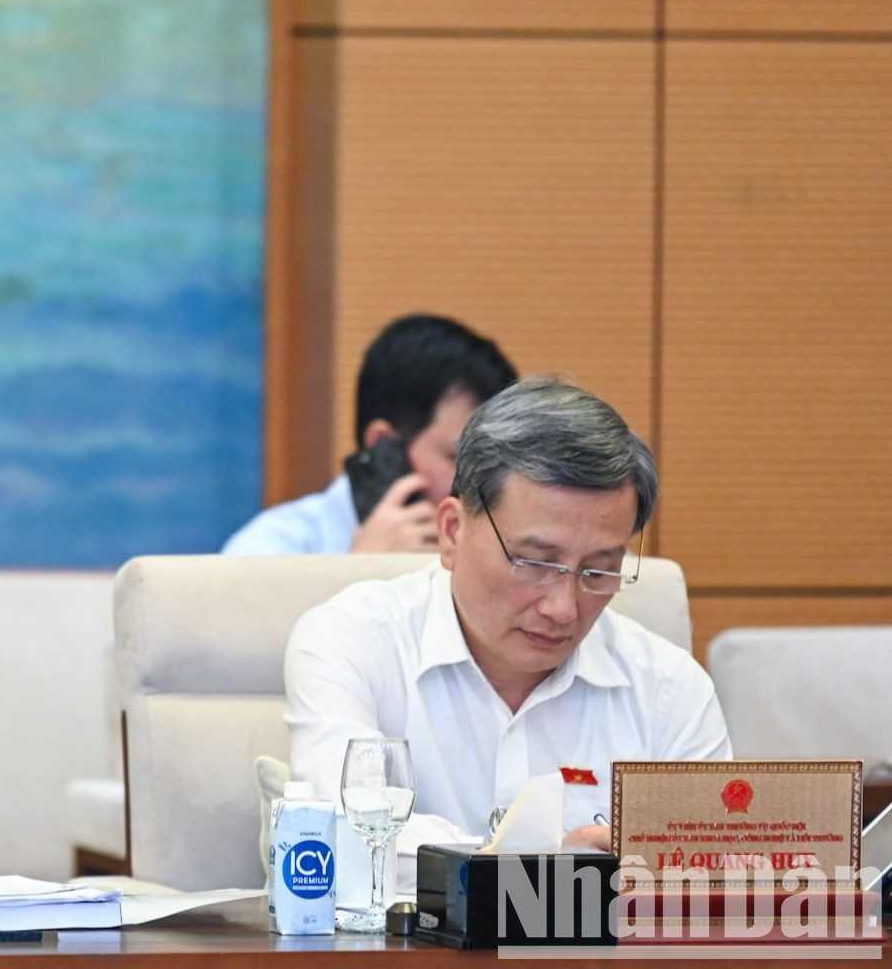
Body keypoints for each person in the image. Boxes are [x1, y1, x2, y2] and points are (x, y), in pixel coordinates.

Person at [283, 376, 730, 869]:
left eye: (598, 570)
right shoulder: (352, 642)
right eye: (535, 562)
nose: (563, 608)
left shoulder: (669, 690)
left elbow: (708, 878)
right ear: (452, 532)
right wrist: (550, 864)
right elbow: (346, 837)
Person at [224, 314, 516, 556]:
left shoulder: (502, 547)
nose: (484, 483)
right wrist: (361, 572)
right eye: (460, 457)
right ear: (384, 444)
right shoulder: (267, 552)